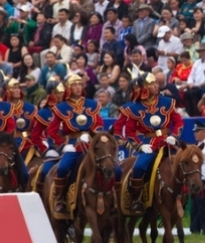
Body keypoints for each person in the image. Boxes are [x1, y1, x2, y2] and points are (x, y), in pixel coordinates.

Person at [114, 73, 184, 214]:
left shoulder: (167, 102)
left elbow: (178, 121)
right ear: (144, 87)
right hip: (148, 144)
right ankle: (136, 199)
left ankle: (182, 197)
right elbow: (130, 131)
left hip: (167, 142)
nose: (156, 86)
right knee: (139, 167)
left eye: (156, 83)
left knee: (184, 164)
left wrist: (175, 136)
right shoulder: (134, 108)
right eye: (152, 84)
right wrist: (139, 146)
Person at [48, 74, 105, 216]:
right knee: (62, 168)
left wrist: (92, 134)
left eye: (80, 84)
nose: (78, 87)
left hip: (92, 142)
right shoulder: (61, 107)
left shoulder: (92, 104)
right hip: (73, 144)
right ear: (68, 88)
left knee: (112, 166)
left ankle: (112, 198)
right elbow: (52, 131)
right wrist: (62, 146)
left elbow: (99, 123)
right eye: (75, 85)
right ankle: (60, 199)